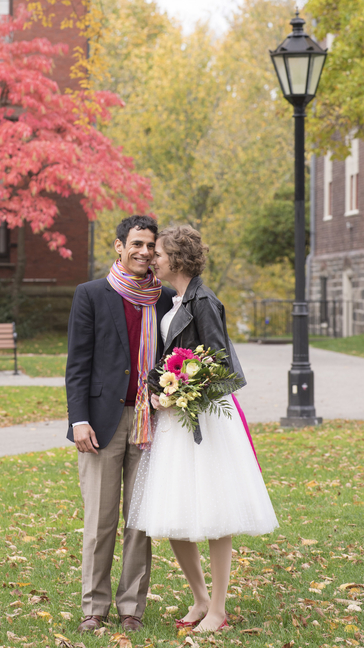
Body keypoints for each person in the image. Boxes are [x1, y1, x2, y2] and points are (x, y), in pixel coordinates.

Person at [128, 225, 278, 632]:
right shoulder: (173, 301)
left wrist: (179, 393)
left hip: (204, 423)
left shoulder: (205, 302)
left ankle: (219, 609)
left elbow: (223, 368)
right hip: (175, 423)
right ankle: (200, 600)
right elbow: (172, 357)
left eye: (158, 253)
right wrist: (161, 390)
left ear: (175, 258)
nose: (152, 259)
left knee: (214, 515)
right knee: (173, 512)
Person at [66, 215, 175, 633]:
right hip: (101, 423)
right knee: (100, 520)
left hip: (152, 421)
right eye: (137, 244)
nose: (144, 252)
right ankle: (94, 607)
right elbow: (77, 365)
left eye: (151, 245)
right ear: (119, 246)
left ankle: (132, 607)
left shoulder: (165, 299)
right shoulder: (91, 294)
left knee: (140, 522)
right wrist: (78, 420)